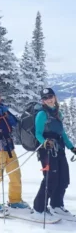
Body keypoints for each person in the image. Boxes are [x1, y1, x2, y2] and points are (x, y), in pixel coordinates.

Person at [0, 88, 29, 212]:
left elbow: (15, 123)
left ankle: (15, 200)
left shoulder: (4, 110)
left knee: (15, 174)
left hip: (9, 147)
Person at [32, 87, 76, 219]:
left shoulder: (58, 113)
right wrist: (45, 142)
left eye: (50, 97)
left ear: (54, 97)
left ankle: (56, 205)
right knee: (50, 179)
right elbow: (38, 133)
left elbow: (62, 133)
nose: (49, 100)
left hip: (59, 149)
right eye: (45, 98)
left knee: (64, 179)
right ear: (42, 101)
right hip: (47, 150)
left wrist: (71, 147)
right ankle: (39, 208)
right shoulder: (42, 114)